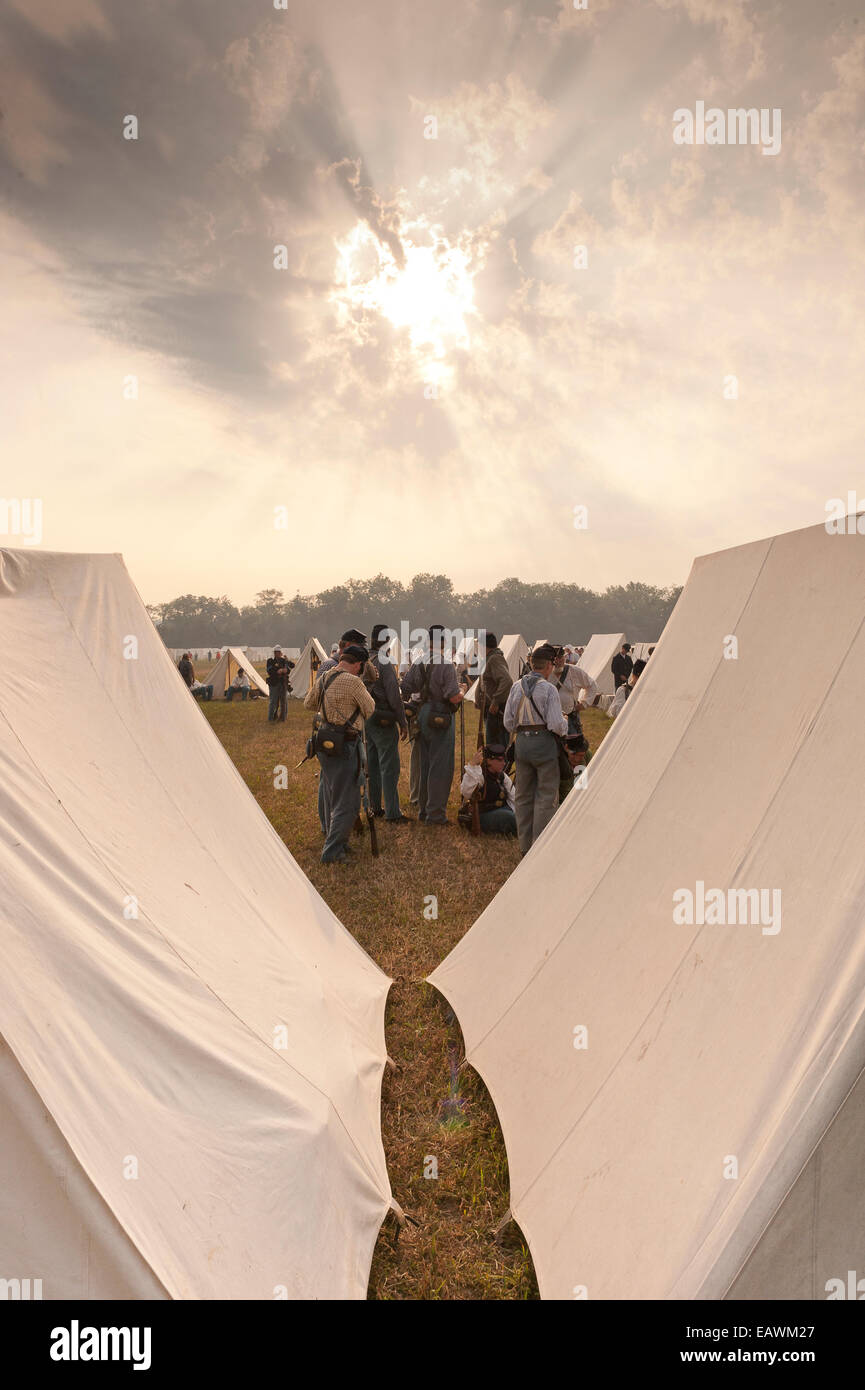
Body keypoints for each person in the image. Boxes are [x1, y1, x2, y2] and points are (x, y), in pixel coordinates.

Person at [304, 644, 375, 864]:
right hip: (346, 744)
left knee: (332, 794)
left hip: (325, 743)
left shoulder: (325, 677)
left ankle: (340, 843)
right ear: (359, 664)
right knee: (348, 801)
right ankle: (332, 852)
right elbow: (370, 709)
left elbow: (309, 704)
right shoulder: (354, 682)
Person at [503, 642, 567, 854]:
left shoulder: (516, 687)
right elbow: (556, 725)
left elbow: (508, 722)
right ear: (548, 665)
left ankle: (524, 846)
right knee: (546, 795)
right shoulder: (548, 689)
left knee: (523, 796)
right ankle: (540, 847)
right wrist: (565, 723)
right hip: (544, 743)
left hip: (522, 743)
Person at [401, 625, 463, 826]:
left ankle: (423, 811)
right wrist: (462, 691)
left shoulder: (418, 661)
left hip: (421, 713)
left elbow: (406, 686)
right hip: (440, 715)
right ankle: (436, 814)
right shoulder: (446, 664)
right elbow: (453, 697)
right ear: (444, 643)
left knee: (424, 764)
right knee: (440, 766)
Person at [364, 624, 411, 824]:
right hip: (383, 718)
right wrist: (403, 722)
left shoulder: (366, 659)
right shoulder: (384, 661)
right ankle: (393, 812)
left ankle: (375, 807)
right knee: (390, 767)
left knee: (373, 764)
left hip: (368, 717)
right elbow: (394, 695)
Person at [460, 744, 517, 835]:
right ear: (489, 760)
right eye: (499, 760)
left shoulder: (502, 776)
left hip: (500, 810)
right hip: (482, 815)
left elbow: (514, 798)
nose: (504, 763)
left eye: (504, 760)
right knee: (508, 817)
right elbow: (466, 792)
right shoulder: (479, 775)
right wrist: (473, 766)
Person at [550, 647, 597, 735]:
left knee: (574, 745)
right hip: (550, 717)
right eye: (555, 659)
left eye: (560, 658)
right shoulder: (546, 672)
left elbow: (592, 685)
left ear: (564, 658)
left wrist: (585, 703)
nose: (558, 662)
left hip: (571, 716)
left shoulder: (574, 671)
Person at [478, 633, 513, 749]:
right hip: (492, 710)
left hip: (497, 712)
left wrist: (496, 701)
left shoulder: (495, 658)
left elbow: (506, 680)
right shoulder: (490, 659)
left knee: (497, 749)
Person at [558, 734, 590, 803]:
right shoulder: (556, 762)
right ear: (566, 748)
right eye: (573, 754)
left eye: (581, 755)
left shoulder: (587, 756)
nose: (577, 759)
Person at [266, 647, 293, 722]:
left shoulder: (284, 660)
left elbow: (291, 666)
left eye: (279, 652)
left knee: (284, 702)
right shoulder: (270, 660)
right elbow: (269, 670)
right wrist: (277, 670)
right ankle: (270, 719)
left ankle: (283, 718)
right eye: (276, 652)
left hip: (283, 683)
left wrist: (286, 670)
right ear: (274, 653)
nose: (278, 653)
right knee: (273, 702)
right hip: (274, 683)